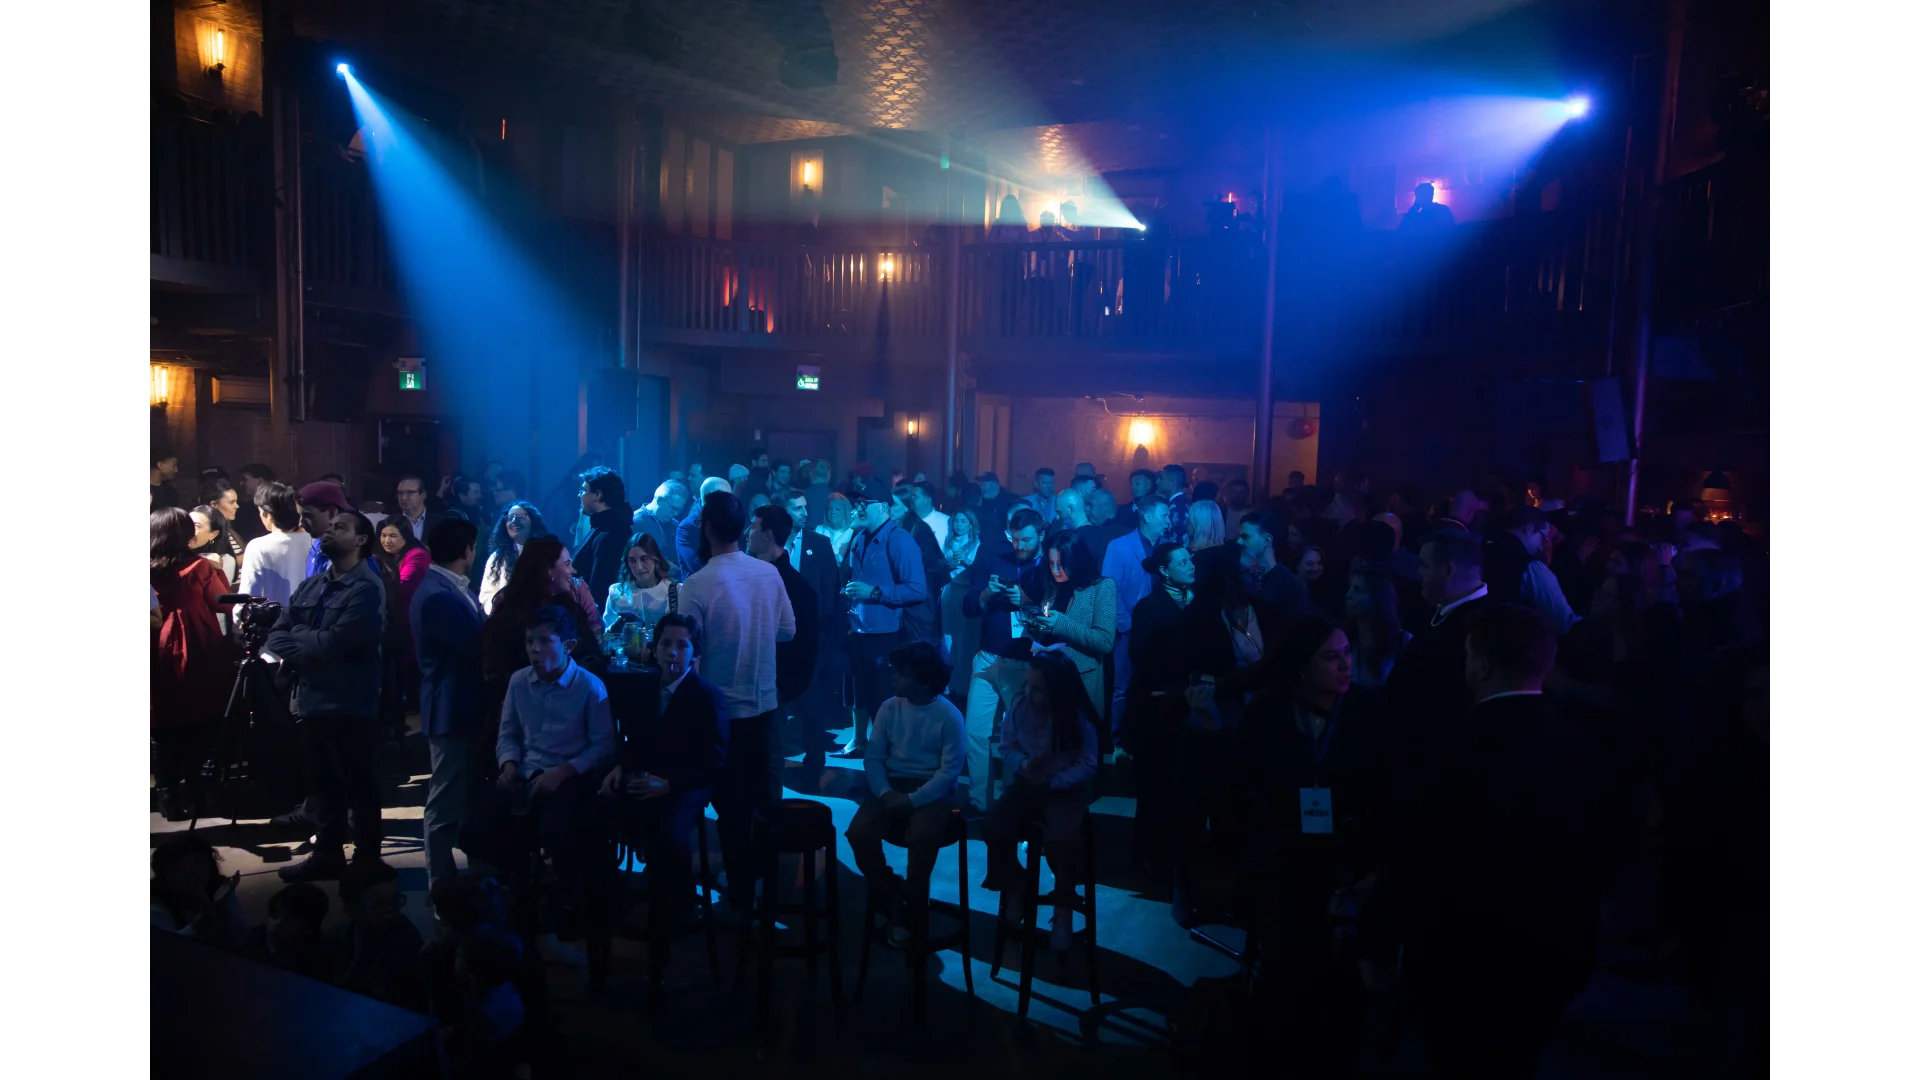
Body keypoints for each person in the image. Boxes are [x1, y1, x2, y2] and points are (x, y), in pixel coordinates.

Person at [1388, 604, 1621, 1080]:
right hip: (1555, 948)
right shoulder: (1584, 746)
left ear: (1482, 664)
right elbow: (1607, 849)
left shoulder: (1454, 745)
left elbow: (1420, 852)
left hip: (1462, 954)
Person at [1237, 614, 1392, 1079]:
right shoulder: (1268, 714)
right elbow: (1246, 787)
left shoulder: (1368, 712)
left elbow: (1388, 794)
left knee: (1344, 991)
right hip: (1286, 866)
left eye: (1347, 654)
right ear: (1302, 666)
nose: (1345, 665)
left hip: (1350, 869)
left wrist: (1375, 866)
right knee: (1287, 982)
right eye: (1331, 657)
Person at [466, 604, 617, 982]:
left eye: (544, 641)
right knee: (472, 831)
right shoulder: (520, 681)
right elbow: (508, 734)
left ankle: (555, 911)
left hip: (568, 775)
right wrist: (508, 765)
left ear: (567, 645)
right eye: (530, 641)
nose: (535, 649)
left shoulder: (588, 686)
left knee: (557, 831)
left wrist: (563, 772)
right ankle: (518, 902)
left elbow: (602, 746)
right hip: (525, 772)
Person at [679, 492, 796, 914]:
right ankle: (763, 883)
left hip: (720, 709)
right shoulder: (768, 573)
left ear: (707, 528)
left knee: (730, 805)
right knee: (761, 796)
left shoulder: (696, 584)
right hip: (764, 702)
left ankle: (741, 892)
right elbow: (787, 630)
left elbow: (686, 652)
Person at [269, 511, 387, 882]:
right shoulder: (311, 585)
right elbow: (277, 634)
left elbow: (338, 642)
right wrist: (310, 647)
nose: (330, 531)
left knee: (358, 784)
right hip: (310, 699)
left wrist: (302, 640)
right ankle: (328, 854)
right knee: (321, 786)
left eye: (341, 527)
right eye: (330, 526)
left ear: (361, 540)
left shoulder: (366, 588)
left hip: (348, 701)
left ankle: (367, 861)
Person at [600, 613, 728, 936]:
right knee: (597, 809)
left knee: (668, 830)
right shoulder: (644, 686)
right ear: (654, 648)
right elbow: (632, 738)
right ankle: (610, 895)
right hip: (650, 773)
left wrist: (670, 784)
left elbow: (713, 762)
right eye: (666, 644)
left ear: (695, 653)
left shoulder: (707, 696)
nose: (672, 652)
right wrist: (620, 766)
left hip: (688, 781)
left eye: (682, 646)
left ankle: (680, 903)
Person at [846, 641, 966, 947]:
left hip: (931, 790)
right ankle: (892, 890)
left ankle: (912, 906)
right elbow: (873, 759)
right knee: (858, 833)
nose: (894, 677)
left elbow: (948, 773)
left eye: (902, 673)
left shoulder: (949, 716)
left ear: (924, 681)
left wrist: (912, 800)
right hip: (891, 784)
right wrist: (886, 793)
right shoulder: (889, 708)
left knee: (923, 836)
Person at [981, 650, 1100, 953]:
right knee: (993, 825)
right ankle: (1016, 882)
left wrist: (1055, 781)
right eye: (1027, 685)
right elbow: (1007, 746)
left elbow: (1088, 763)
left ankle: (1063, 906)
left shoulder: (1076, 715)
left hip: (1065, 789)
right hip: (1028, 783)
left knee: (1060, 840)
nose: (1029, 694)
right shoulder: (1019, 705)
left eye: (1038, 689)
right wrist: (1024, 763)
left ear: (1057, 691)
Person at [147, 509, 237, 822]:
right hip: (195, 643)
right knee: (201, 719)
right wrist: (218, 571)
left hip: (156, 642)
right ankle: (200, 796)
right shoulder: (199, 565)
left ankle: (168, 796)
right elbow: (222, 603)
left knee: (163, 722)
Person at [1381, 529, 1492, 784]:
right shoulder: (1440, 610)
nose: (1417, 572)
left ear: (1448, 570)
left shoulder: (1481, 627)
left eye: (1424, 565)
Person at [411, 518, 486, 892]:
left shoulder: (448, 588)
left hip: (460, 706)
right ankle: (440, 884)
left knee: (463, 796)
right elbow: (476, 646)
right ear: (468, 550)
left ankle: (470, 880)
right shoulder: (439, 594)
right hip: (450, 708)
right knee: (444, 801)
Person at [959, 507, 1050, 812]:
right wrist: (987, 593)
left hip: (1024, 664)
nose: (1019, 546)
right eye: (1015, 539)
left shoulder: (1049, 567)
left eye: (1026, 540)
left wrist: (1027, 602)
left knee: (1019, 738)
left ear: (1041, 535)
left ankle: (1013, 803)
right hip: (987, 657)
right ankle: (979, 803)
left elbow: (1058, 615)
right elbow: (968, 606)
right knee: (975, 733)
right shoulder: (996, 560)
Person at [836, 492, 929, 756]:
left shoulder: (900, 539)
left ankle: (886, 753)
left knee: (882, 698)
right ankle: (859, 741)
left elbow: (917, 589)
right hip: (858, 630)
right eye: (858, 503)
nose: (859, 507)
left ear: (884, 508)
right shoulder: (860, 537)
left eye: (866, 503)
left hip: (885, 635)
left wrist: (875, 592)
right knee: (857, 690)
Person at [1126, 541, 1195, 872]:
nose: (1191, 565)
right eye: (1182, 562)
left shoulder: (1196, 602)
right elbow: (1139, 656)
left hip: (1187, 703)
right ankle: (1150, 856)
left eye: (1190, 560)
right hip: (1157, 706)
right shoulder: (1149, 607)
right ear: (1165, 571)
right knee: (1156, 785)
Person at [1024, 531, 1118, 729]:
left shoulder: (1102, 587)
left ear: (1077, 561)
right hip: (1048, 679)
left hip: (1079, 680)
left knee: (1079, 738)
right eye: (1051, 563)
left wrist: (1061, 623)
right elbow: (1047, 632)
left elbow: (1105, 641)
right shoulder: (1053, 587)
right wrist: (1036, 625)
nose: (1055, 570)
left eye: (1061, 563)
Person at [1100, 495, 1170, 749]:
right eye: (1165, 515)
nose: (1169, 521)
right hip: (1129, 629)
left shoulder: (1167, 548)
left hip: (1161, 631)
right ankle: (1119, 743)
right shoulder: (1119, 546)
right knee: (1123, 687)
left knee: (1156, 684)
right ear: (1148, 516)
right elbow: (1110, 588)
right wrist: (1125, 624)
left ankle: (1149, 739)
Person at [749, 504, 820, 746]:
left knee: (768, 755)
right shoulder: (750, 577)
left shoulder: (796, 587)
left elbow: (805, 643)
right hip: (750, 684)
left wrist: (785, 689)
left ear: (767, 535)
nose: (747, 533)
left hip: (773, 686)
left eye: (753, 526)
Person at [328, 858, 429, 1012]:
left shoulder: (405, 941)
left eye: (395, 899)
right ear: (351, 910)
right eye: (379, 904)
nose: (392, 909)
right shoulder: (336, 939)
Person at [1485, 506, 1580, 634]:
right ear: (1529, 528)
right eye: (1544, 538)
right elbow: (1565, 622)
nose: (1542, 546)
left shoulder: (1484, 550)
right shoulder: (1531, 567)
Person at [146, 833, 248, 951]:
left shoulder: (219, 890)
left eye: (198, 863)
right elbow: (166, 949)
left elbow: (242, 935)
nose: (191, 872)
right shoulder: (153, 904)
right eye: (178, 868)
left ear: (210, 863)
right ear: (164, 875)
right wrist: (203, 918)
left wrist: (223, 910)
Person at [890, 485, 950, 644]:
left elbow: (930, 563)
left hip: (919, 600)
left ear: (906, 507)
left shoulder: (919, 529)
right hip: (904, 598)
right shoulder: (898, 527)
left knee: (918, 646)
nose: (890, 508)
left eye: (894, 504)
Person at [238, 481, 311, 607]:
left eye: (260, 511)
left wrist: (238, 615)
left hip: (275, 617)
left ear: (268, 515)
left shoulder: (258, 546)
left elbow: (248, 595)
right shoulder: (317, 541)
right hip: (314, 616)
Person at [571, 466, 634, 608]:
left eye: (583, 490)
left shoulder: (612, 533)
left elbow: (600, 587)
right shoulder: (602, 526)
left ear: (597, 495)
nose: (580, 496)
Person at [244, 883, 334, 981]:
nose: (278, 923)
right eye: (276, 913)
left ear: (309, 929)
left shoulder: (320, 955)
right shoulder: (248, 942)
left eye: (289, 920)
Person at [1237, 510, 1311, 627]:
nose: (1238, 542)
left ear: (1267, 540)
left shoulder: (1290, 586)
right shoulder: (1239, 577)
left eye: (1245, 537)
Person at [1345, 566, 1411, 694]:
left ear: (1377, 597)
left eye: (1357, 590)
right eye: (1350, 588)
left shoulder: (1403, 641)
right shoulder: (1344, 638)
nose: (1348, 595)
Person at [479, 502, 547, 616]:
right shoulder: (497, 558)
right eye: (510, 518)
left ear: (533, 520)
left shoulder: (548, 552)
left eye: (520, 517)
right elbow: (486, 595)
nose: (514, 521)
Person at [603, 533, 677, 635]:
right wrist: (615, 627)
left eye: (644, 559)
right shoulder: (617, 592)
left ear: (655, 559)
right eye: (632, 560)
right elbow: (606, 635)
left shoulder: (675, 591)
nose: (639, 567)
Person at [632, 479, 690, 582]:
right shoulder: (636, 523)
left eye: (679, 510)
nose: (676, 514)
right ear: (659, 500)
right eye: (673, 508)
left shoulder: (674, 525)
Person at [675, 476, 733, 578]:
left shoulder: (728, 521)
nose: (729, 502)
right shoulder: (686, 528)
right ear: (709, 496)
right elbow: (698, 567)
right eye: (725, 497)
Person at [298, 481, 355, 579]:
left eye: (307, 516)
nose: (300, 523)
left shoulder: (354, 556)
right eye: (299, 516)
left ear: (331, 512)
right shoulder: (317, 546)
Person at [1186, 500, 1236, 596]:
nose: (1187, 521)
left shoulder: (1199, 558)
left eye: (1189, 518)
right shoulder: (1227, 553)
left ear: (1197, 522)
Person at [201, 479, 250, 569]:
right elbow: (215, 563)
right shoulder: (209, 533)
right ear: (214, 505)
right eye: (231, 502)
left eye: (236, 502)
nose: (237, 506)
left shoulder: (229, 530)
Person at [188, 505, 238, 586]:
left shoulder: (225, 560)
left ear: (213, 534)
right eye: (187, 524)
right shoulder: (175, 555)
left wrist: (217, 569)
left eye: (196, 526)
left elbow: (221, 591)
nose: (188, 530)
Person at [391, 475, 442, 545]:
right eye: (400, 493)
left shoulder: (439, 523)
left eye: (410, 492)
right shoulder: (390, 521)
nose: (404, 498)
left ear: (423, 495)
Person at [233, 464, 277, 544]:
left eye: (245, 480)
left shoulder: (274, 505)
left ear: (260, 481)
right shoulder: (246, 507)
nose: (241, 483)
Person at [815, 491, 857, 564]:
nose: (832, 512)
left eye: (837, 509)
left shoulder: (852, 534)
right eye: (830, 508)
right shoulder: (819, 529)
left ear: (846, 512)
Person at [974, 472, 1018, 537]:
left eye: (983, 483)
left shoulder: (1011, 500)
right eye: (980, 483)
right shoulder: (980, 501)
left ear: (994, 484)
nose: (981, 485)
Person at [1157, 464, 1191, 543]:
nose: (1157, 481)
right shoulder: (1184, 503)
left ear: (1172, 482)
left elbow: (1177, 540)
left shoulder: (1177, 507)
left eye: (1161, 478)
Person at [912, 481, 950, 548]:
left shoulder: (946, 522)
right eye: (911, 496)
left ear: (927, 500)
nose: (911, 499)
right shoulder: (907, 522)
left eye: (915, 496)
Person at [804, 459, 836, 531]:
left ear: (811, 473)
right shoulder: (835, 496)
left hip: (808, 534)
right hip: (829, 535)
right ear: (829, 474)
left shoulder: (803, 495)